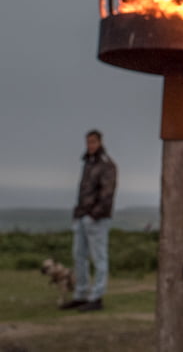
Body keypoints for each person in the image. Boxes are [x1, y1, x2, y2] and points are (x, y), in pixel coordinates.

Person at [59, 129, 117, 312]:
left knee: (99, 257)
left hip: (96, 219)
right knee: (79, 256)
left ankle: (96, 296)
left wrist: (95, 214)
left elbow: (107, 193)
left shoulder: (106, 165)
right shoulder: (88, 163)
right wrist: (78, 214)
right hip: (82, 216)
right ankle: (81, 294)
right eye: (88, 142)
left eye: (93, 142)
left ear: (100, 142)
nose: (90, 145)